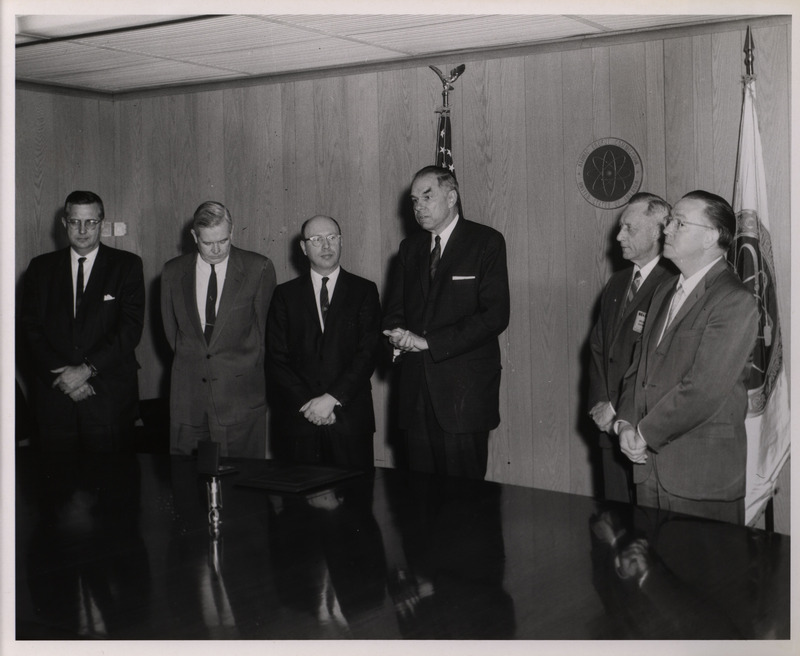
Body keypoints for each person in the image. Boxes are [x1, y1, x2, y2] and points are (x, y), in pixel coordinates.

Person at [614, 190, 758, 524]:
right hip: (649, 473)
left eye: (679, 223)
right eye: (669, 222)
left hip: (701, 477)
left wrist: (643, 434)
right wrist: (624, 423)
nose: (666, 230)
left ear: (710, 236)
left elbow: (703, 389)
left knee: (703, 576)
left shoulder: (733, 300)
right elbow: (638, 369)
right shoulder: (664, 290)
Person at [382, 165, 510, 479]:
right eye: (414, 201)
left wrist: (430, 342)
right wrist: (396, 336)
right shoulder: (409, 249)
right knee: (420, 506)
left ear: (451, 197)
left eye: (427, 197)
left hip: (463, 398)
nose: (418, 207)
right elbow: (395, 310)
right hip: (415, 397)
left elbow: (494, 315)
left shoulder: (486, 242)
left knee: (464, 507)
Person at [21, 190, 145, 452]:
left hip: (108, 398)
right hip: (55, 397)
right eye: (75, 221)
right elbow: (30, 330)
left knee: (114, 486)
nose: (82, 229)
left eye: (91, 222)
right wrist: (65, 379)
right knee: (55, 487)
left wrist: (85, 371)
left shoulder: (127, 266)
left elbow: (129, 330)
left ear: (102, 222)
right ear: (64, 223)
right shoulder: (40, 268)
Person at [161, 201, 276, 458]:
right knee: (187, 484)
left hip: (240, 400)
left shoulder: (259, 268)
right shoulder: (172, 272)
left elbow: (266, 335)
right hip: (188, 398)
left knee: (241, 486)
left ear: (232, 233)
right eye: (207, 243)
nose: (216, 249)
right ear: (194, 236)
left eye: (223, 241)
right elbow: (172, 333)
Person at [266, 215, 380, 467]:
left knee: (356, 501)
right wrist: (311, 408)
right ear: (304, 248)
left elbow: (368, 353)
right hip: (299, 421)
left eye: (332, 238)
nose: (326, 246)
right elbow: (276, 359)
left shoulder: (365, 291)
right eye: (316, 240)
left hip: (350, 420)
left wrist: (331, 399)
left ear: (341, 242)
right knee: (298, 504)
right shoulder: (285, 295)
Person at [588, 193, 675, 502]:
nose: (618, 236)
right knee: (614, 524)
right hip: (609, 428)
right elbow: (598, 348)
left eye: (629, 228)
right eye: (620, 227)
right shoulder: (617, 283)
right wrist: (601, 403)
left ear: (658, 231)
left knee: (647, 531)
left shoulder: (675, 282)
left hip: (645, 430)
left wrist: (618, 407)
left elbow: (658, 360)